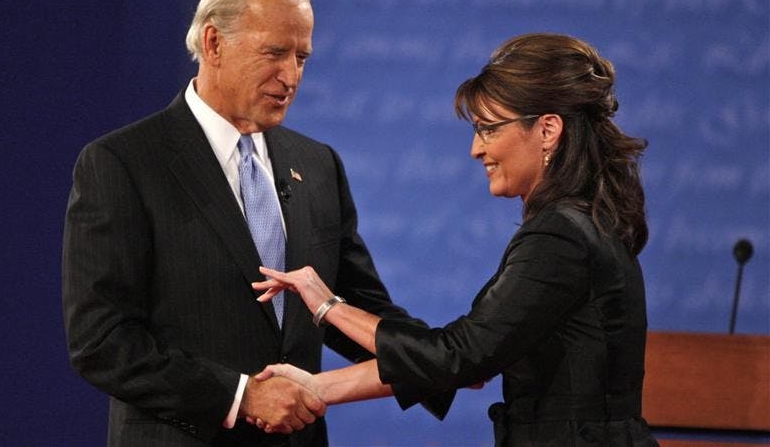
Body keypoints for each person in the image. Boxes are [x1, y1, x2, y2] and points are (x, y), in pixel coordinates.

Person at [61, 0, 445, 447]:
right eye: (274, 53)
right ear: (214, 43)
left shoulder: (317, 164)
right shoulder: (124, 163)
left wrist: (448, 359)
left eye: (302, 57)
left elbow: (357, 308)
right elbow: (101, 341)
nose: (291, 76)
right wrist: (240, 396)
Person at [252, 33, 660, 446]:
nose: (475, 149)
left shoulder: (561, 237)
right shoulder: (585, 222)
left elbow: (456, 357)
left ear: (548, 129)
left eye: (488, 129)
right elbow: (473, 359)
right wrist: (319, 389)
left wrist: (326, 305)